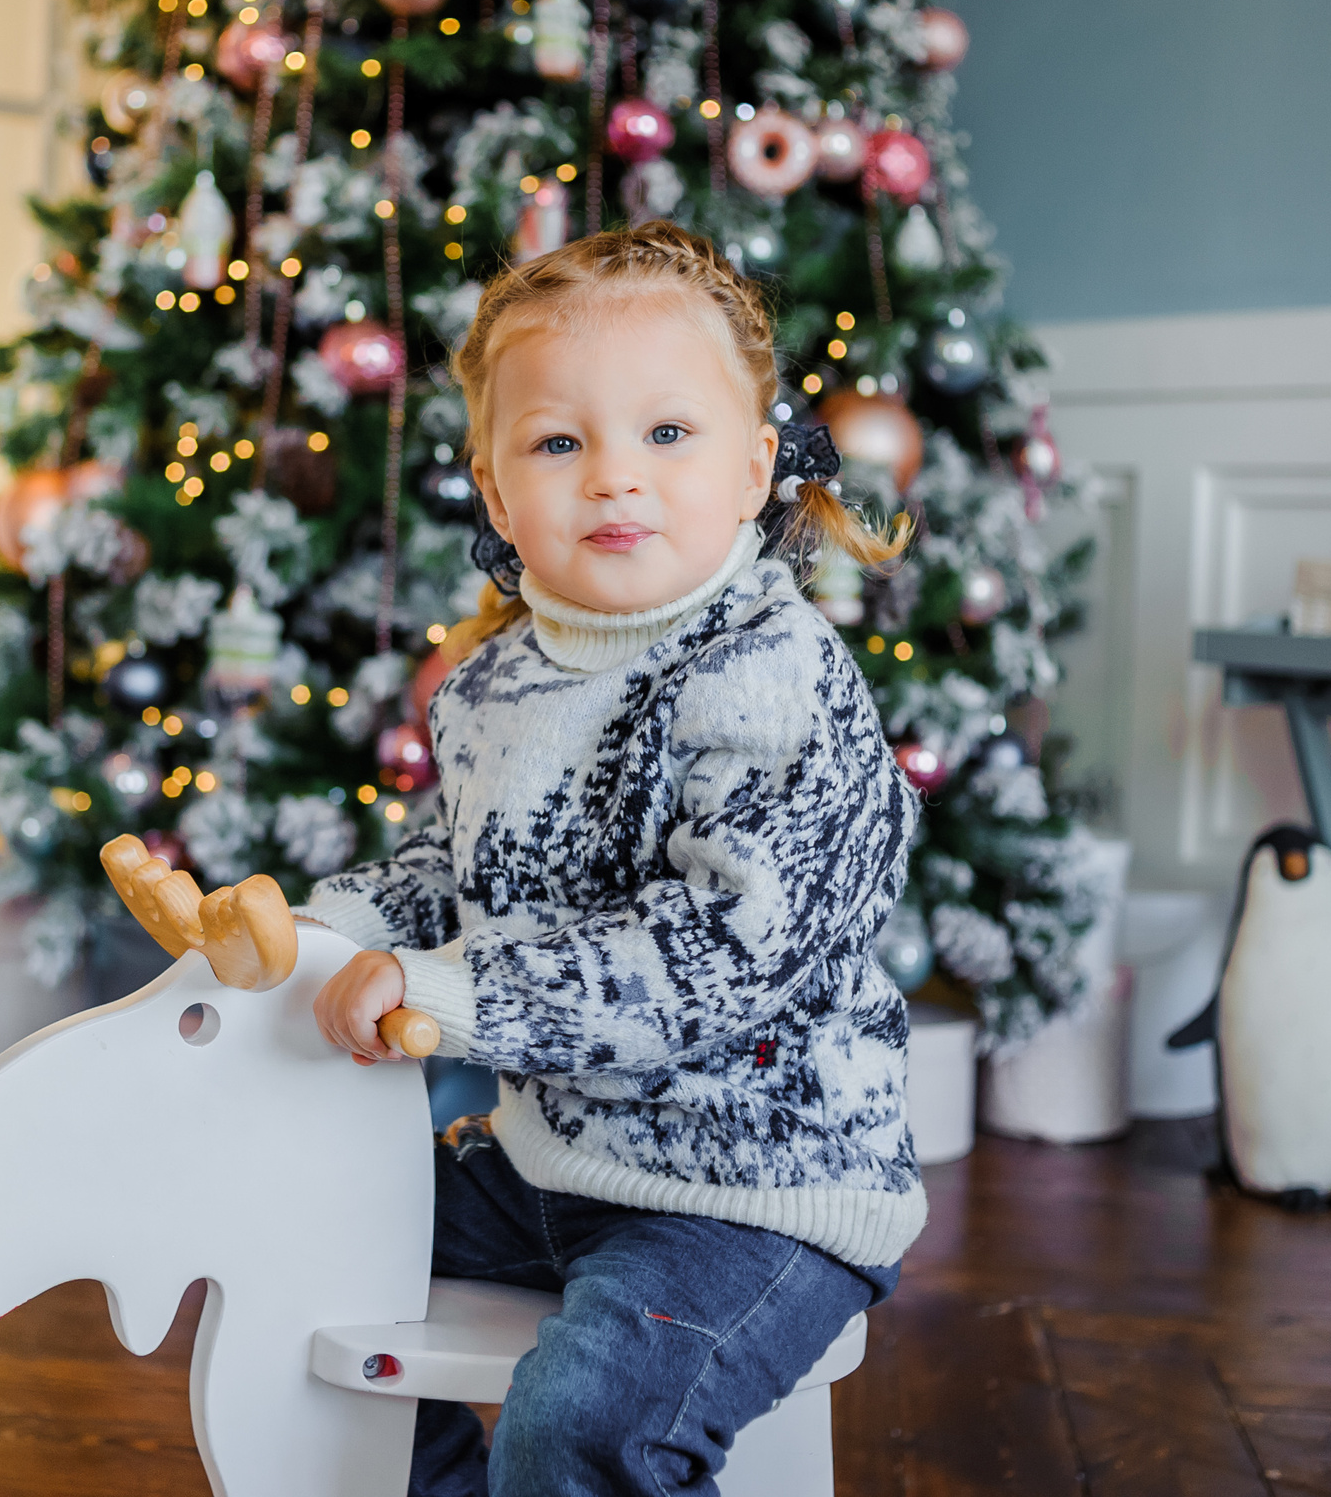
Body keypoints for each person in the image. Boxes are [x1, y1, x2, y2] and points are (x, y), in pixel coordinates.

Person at [300, 221, 923, 1495]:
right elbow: (449, 873)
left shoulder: (771, 675)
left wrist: (450, 993)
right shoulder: (495, 682)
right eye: (557, 442)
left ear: (754, 470)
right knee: (304, 1245)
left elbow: (710, 959)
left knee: (583, 1414)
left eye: (667, 434)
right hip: (553, 1162)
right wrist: (320, 936)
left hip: (756, 1188)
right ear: (493, 490)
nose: (612, 479)